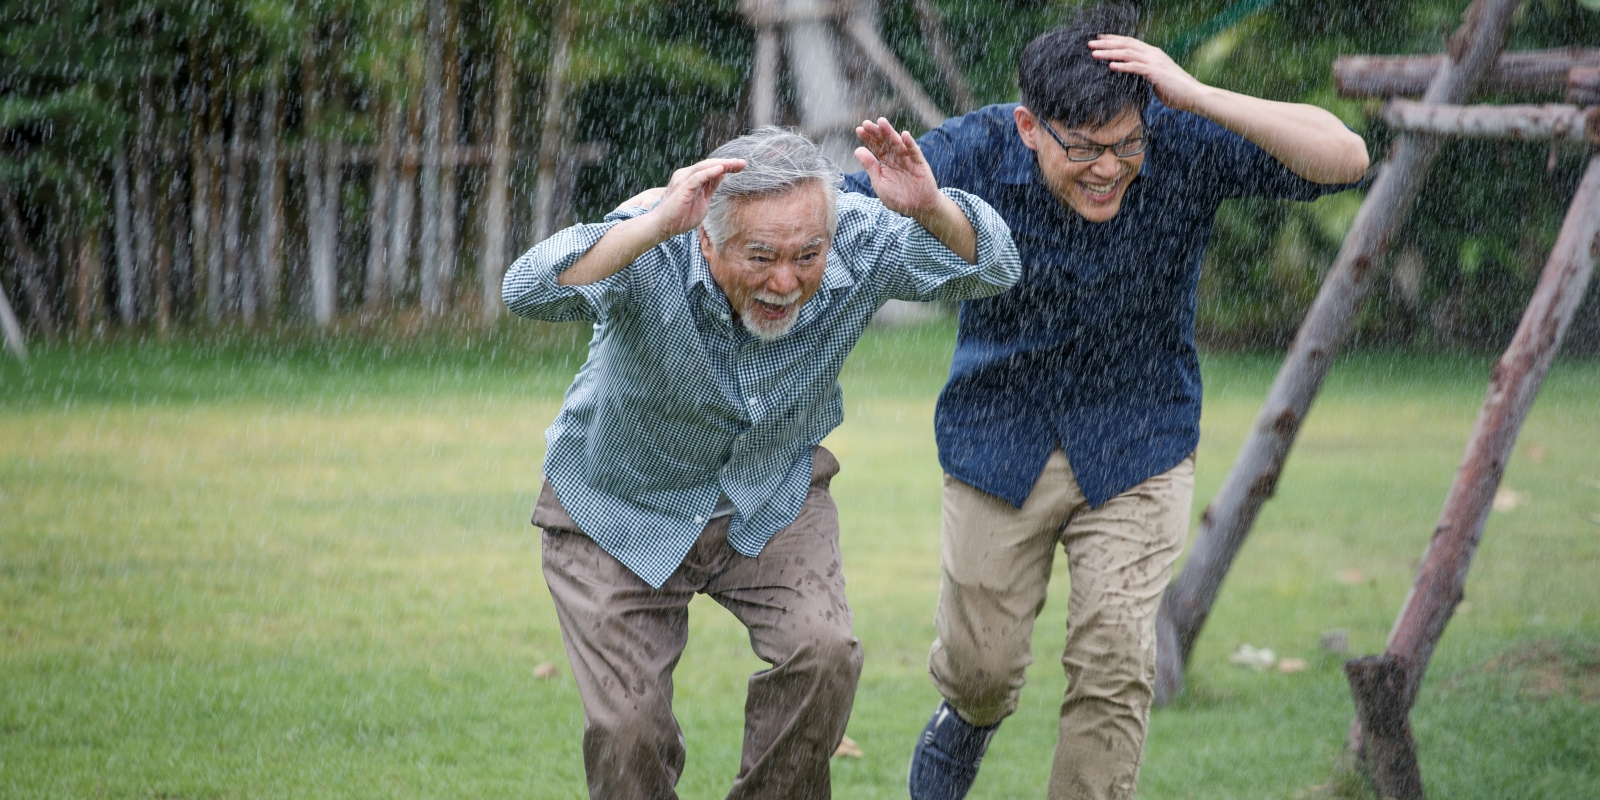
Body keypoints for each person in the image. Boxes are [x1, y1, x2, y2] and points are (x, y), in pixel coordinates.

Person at [840, 5, 1370, 799]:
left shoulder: (1178, 134)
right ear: (1029, 126)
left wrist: (1195, 94)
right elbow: (842, 207)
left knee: (1116, 661)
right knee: (980, 671)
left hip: (1139, 439)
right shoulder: (981, 146)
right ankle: (966, 720)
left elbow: (1346, 157)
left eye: (1125, 145)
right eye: (1083, 149)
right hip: (1000, 430)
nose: (1107, 167)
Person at [502, 125, 1020, 800]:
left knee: (824, 653)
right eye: (761, 255)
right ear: (708, 238)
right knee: (631, 731)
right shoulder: (658, 237)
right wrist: (652, 224)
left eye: (808, 254)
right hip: (615, 509)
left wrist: (929, 207)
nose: (786, 281)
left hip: (770, 493)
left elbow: (996, 268)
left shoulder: (859, 237)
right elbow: (526, 289)